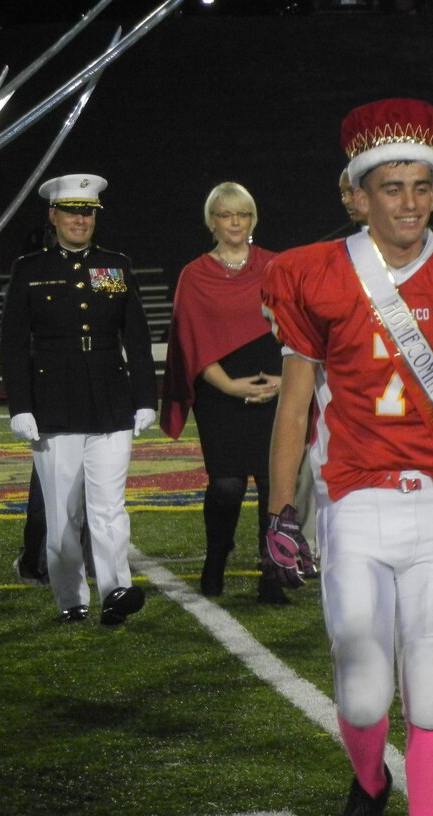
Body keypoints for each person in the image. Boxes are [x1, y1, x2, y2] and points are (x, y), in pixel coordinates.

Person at [261, 97, 433, 816]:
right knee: (364, 682)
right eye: (391, 187)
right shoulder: (311, 273)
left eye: (422, 186)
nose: (410, 204)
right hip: (353, 500)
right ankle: (372, 780)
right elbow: (293, 404)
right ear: (356, 196)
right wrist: (282, 510)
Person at [0, 173, 157, 625]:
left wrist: (146, 397)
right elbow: (13, 345)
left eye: (87, 212)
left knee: (109, 509)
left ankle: (115, 591)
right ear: (53, 215)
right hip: (53, 404)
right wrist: (21, 407)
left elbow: (138, 338)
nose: (80, 220)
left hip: (111, 400)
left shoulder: (116, 265)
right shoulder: (30, 269)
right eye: (71, 211)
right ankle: (71, 598)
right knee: (62, 521)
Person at [160, 181, 296, 603]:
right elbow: (190, 340)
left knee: (276, 483)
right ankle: (217, 555)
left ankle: (272, 572)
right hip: (219, 392)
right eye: (225, 214)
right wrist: (229, 385)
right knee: (227, 486)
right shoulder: (194, 274)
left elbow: (300, 331)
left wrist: (285, 383)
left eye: (242, 214)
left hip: (276, 386)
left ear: (252, 220)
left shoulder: (278, 266)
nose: (234, 222)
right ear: (212, 221)